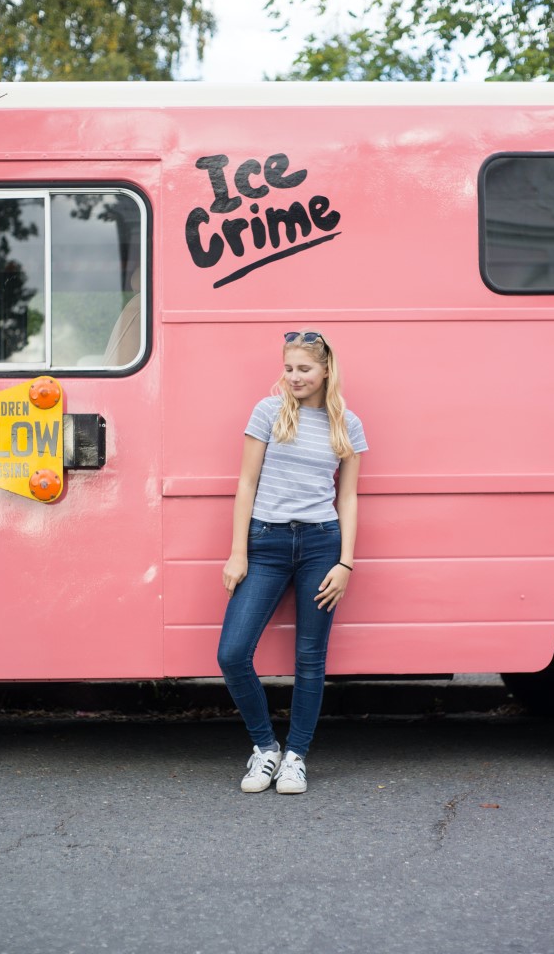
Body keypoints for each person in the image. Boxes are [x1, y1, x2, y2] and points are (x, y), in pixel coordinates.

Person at [217, 330, 368, 794]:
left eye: (304, 369)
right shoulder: (268, 412)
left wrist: (345, 564)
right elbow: (246, 484)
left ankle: (296, 756)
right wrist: (238, 552)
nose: (295, 377)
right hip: (266, 542)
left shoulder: (347, 423)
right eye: (288, 368)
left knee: (309, 659)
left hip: (322, 546)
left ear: (325, 371)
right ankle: (265, 748)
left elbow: (348, 496)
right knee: (233, 653)